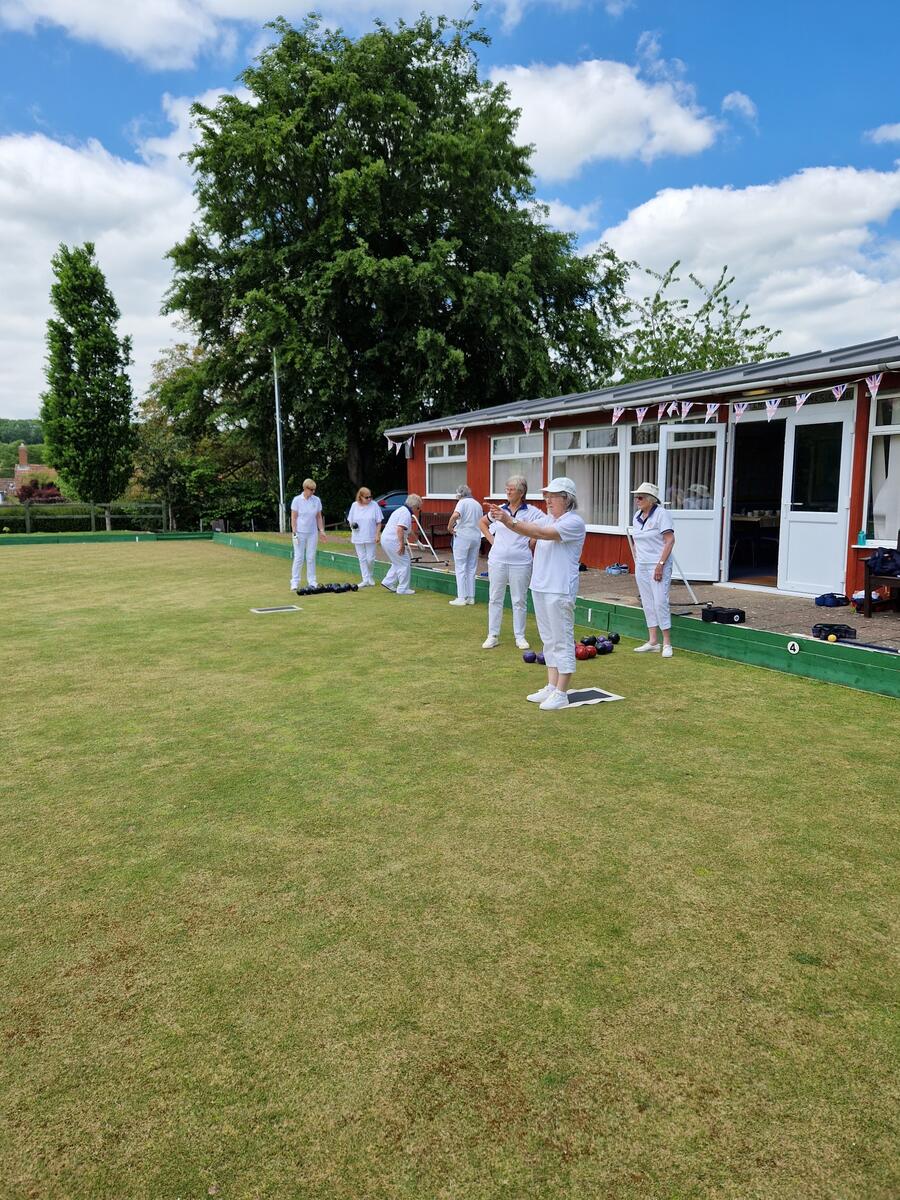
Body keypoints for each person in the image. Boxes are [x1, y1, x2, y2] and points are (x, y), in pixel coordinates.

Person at [488, 477, 586, 711]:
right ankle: (552, 687)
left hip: (559, 589)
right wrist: (505, 520)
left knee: (562, 640)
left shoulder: (573, 522)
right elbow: (531, 528)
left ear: (566, 499)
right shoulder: (548, 517)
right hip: (541, 587)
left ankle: (562, 692)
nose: (548, 500)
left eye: (553, 496)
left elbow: (540, 533)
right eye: (547, 496)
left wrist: (509, 521)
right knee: (548, 640)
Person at [478, 475, 538, 649]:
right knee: (494, 597)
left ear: (521, 492)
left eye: (511, 489)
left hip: (521, 562)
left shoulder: (531, 511)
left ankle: (520, 636)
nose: (508, 492)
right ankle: (492, 635)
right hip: (497, 560)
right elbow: (482, 522)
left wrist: (531, 543)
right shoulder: (498, 510)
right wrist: (492, 540)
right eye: (507, 489)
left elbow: (540, 529)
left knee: (519, 600)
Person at [631, 481, 675, 657]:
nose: (637, 500)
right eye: (636, 497)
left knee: (660, 601)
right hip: (641, 564)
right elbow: (637, 538)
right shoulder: (637, 515)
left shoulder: (662, 514)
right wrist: (636, 556)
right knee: (647, 602)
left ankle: (667, 643)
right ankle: (653, 641)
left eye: (640, 497)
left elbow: (670, 540)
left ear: (651, 499)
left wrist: (661, 564)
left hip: (658, 564)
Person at [447, 484, 484, 606]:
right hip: (476, 536)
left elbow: (455, 515)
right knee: (471, 567)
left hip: (463, 536)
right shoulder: (477, 504)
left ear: (460, 494)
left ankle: (461, 597)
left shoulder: (462, 503)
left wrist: (449, 526)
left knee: (460, 566)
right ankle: (471, 597)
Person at [380, 494, 422, 595]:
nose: (418, 510)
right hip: (392, 540)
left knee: (397, 562)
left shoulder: (402, 510)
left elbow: (408, 530)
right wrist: (401, 544)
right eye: (418, 508)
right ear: (414, 506)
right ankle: (403, 588)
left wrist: (417, 542)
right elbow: (400, 529)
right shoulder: (405, 513)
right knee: (404, 562)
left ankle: (388, 582)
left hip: (386, 539)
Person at [290, 478, 326, 591]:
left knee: (311, 557)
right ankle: (294, 582)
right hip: (300, 532)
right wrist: (294, 531)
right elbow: (294, 517)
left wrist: (321, 530)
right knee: (299, 557)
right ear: (305, 488)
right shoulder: (297, 500)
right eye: (311, 490)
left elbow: (319, 517)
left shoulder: (316, 500)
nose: (313, 492)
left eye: (314, 490)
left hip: (312, 533)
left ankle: (312, 581)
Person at [347, 487, 382, 587]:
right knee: (362, 558)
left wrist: (377, 534)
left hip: (371, 536)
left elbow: (379, 522)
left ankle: (370, 576)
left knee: (370, 558)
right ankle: (365, 579)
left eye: (370, 497)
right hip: (358, 535)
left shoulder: (374, 505)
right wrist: (352, 525)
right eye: (367, 497)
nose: (369, 499)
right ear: (360, 497)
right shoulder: (354, 505)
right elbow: (350, 520)